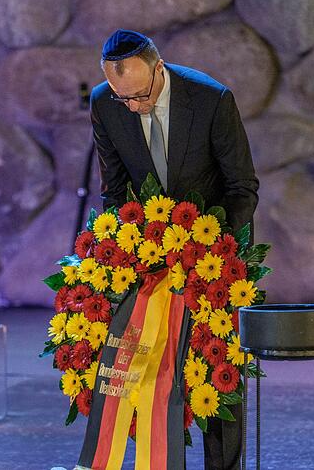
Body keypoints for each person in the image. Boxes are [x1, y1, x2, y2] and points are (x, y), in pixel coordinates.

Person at [89, 29, 258, 470]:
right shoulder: (104, 103)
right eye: (123, 99)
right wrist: (130, 248)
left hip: (213, 255)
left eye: (141, 96)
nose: (134, 107)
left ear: (159, 68)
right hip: (148, 259)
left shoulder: (211, 100)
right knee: (153, 375)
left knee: (216, 377)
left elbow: (242, 188)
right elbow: (114, 189)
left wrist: (210, 243)